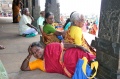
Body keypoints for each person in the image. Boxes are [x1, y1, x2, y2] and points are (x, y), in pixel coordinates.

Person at [21, 42, 96, 78]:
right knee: (86, 70)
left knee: (90, 59)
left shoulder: (50, 47)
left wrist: (78, 46)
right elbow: (24, 68)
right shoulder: (38, 63)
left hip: (71, 55)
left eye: (37, 50)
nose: (37, 54)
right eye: (34, 53)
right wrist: (29, 54)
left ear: (42, 47)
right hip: (68, 68)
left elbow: (65, 45)